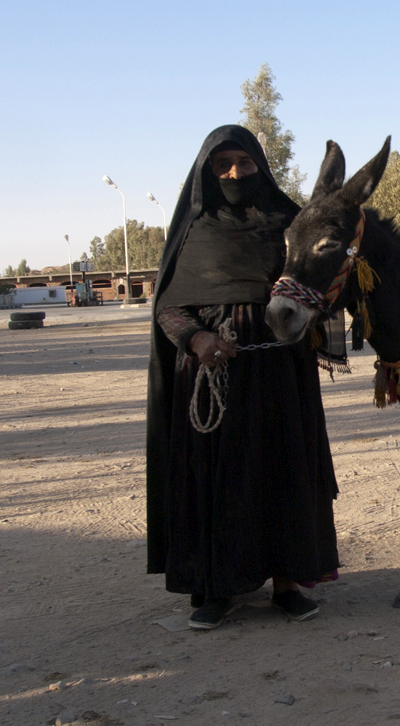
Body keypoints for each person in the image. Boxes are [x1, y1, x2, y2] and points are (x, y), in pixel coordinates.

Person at [146, 125, 340, 630]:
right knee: (218, 476)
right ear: (208, 172)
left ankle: (286, 582)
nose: (235, 173)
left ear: (261, 167)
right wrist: (196, 339)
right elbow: (168, 306)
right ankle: (216, 587)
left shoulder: (289, 222)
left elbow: (317, 281)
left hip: (280, 371)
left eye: (245, 163)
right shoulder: (194, 231)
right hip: (212, 374)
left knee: (282, 471)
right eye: (223, 164)